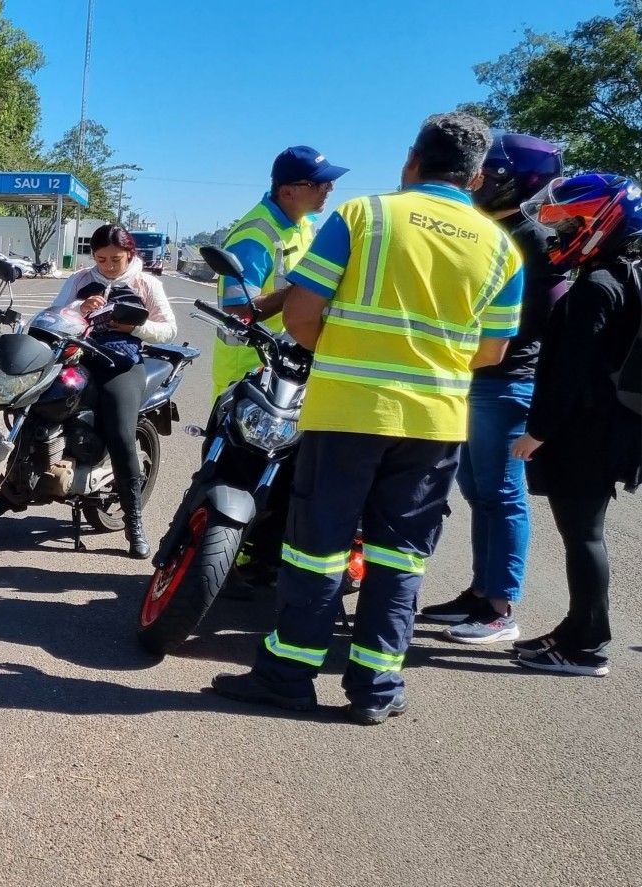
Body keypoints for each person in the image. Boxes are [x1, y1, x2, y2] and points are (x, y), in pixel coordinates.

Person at [211, 112, 527, 726]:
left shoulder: (364, 217)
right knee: (401, 555)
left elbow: (301, 314)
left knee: (317, 549)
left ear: (411, 161)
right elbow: (492, 352)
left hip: (348, 411)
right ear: (478, 176)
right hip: (434, 424)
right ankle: (377, 686)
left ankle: (288, 675)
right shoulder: (501, 248)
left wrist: (348, 350)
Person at [419, 134, 569, 644]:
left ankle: (501, 608)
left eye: (491, 173)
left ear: (516, 182)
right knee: (478, 492)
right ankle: (480, 594)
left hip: (506, 381)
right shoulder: (490, 229)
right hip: (475, 378)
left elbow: (541, 316)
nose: (479, 180)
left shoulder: (532, 238)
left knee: (503, 495)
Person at [509, 173, 642, 677]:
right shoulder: (621, 276)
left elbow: (568, 373)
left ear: (601, 224)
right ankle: (575, 628)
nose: (559, 234)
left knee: (584, 536)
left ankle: (589, 646)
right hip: (604, 431)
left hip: (586, 434)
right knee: (582, 534)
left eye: (570, 224)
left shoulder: (596, 289)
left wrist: (535, 433)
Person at [48, 224, 178, 556]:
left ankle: (133, 520)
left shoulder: (146, 283)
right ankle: (9, 489)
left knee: (121, 435)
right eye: (101, 258)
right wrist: (80, 309)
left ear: (130, 254)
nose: (107, 266)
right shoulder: (79, 280)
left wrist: (137, 327)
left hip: (121, 365)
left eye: (115, 259)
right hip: (78, 360)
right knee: (37, 406)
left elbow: (169, 329)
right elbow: (53, 314)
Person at [212, 146, 348, 398]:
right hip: (247, 374)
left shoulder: (305, 225)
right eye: (318, 183)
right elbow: (239, 312)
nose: (329, 188)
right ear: (287, 191)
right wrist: (305, 287)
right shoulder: (253, 236)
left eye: (330, 182)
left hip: (288, 367)